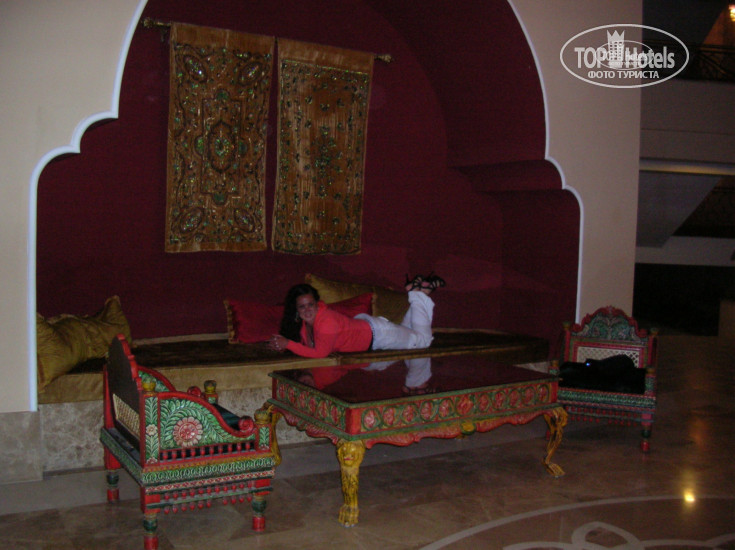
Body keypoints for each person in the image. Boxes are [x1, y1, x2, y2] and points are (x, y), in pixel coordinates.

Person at [268, 274, 445, 358]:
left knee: (423, 342)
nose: (307, 310)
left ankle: (418, 294)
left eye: (310, 304)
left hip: (379, 335)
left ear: (316, 303)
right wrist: (284, 345)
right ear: (296, 309)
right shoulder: (304, 322)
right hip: (369, 331)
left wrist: (288, 344)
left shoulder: (326, 320)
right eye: (302, 306)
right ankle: (417, 295)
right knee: (410, 332)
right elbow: (304, 345)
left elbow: (320, 353)